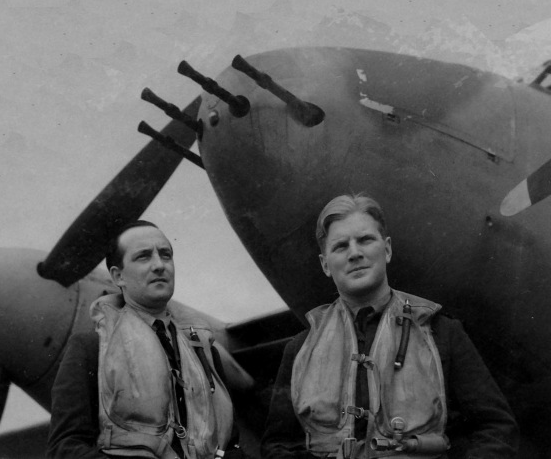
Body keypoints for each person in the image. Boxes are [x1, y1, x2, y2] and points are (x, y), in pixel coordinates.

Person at [261, 194, 519, 459]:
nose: (355, 253)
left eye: (365, 240)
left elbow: (496, 428)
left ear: (387, 249)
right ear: (326, 264)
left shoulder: (442, 333)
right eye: (340, 246)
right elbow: (277, 446)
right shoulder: (300, 350)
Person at [47, 220, 240, 459]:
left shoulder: (203, 348)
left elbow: (230, 444)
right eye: (143, 257)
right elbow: (64, 448)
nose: (159, 265)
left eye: (166, 255)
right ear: (118, 276)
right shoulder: (90, 349)